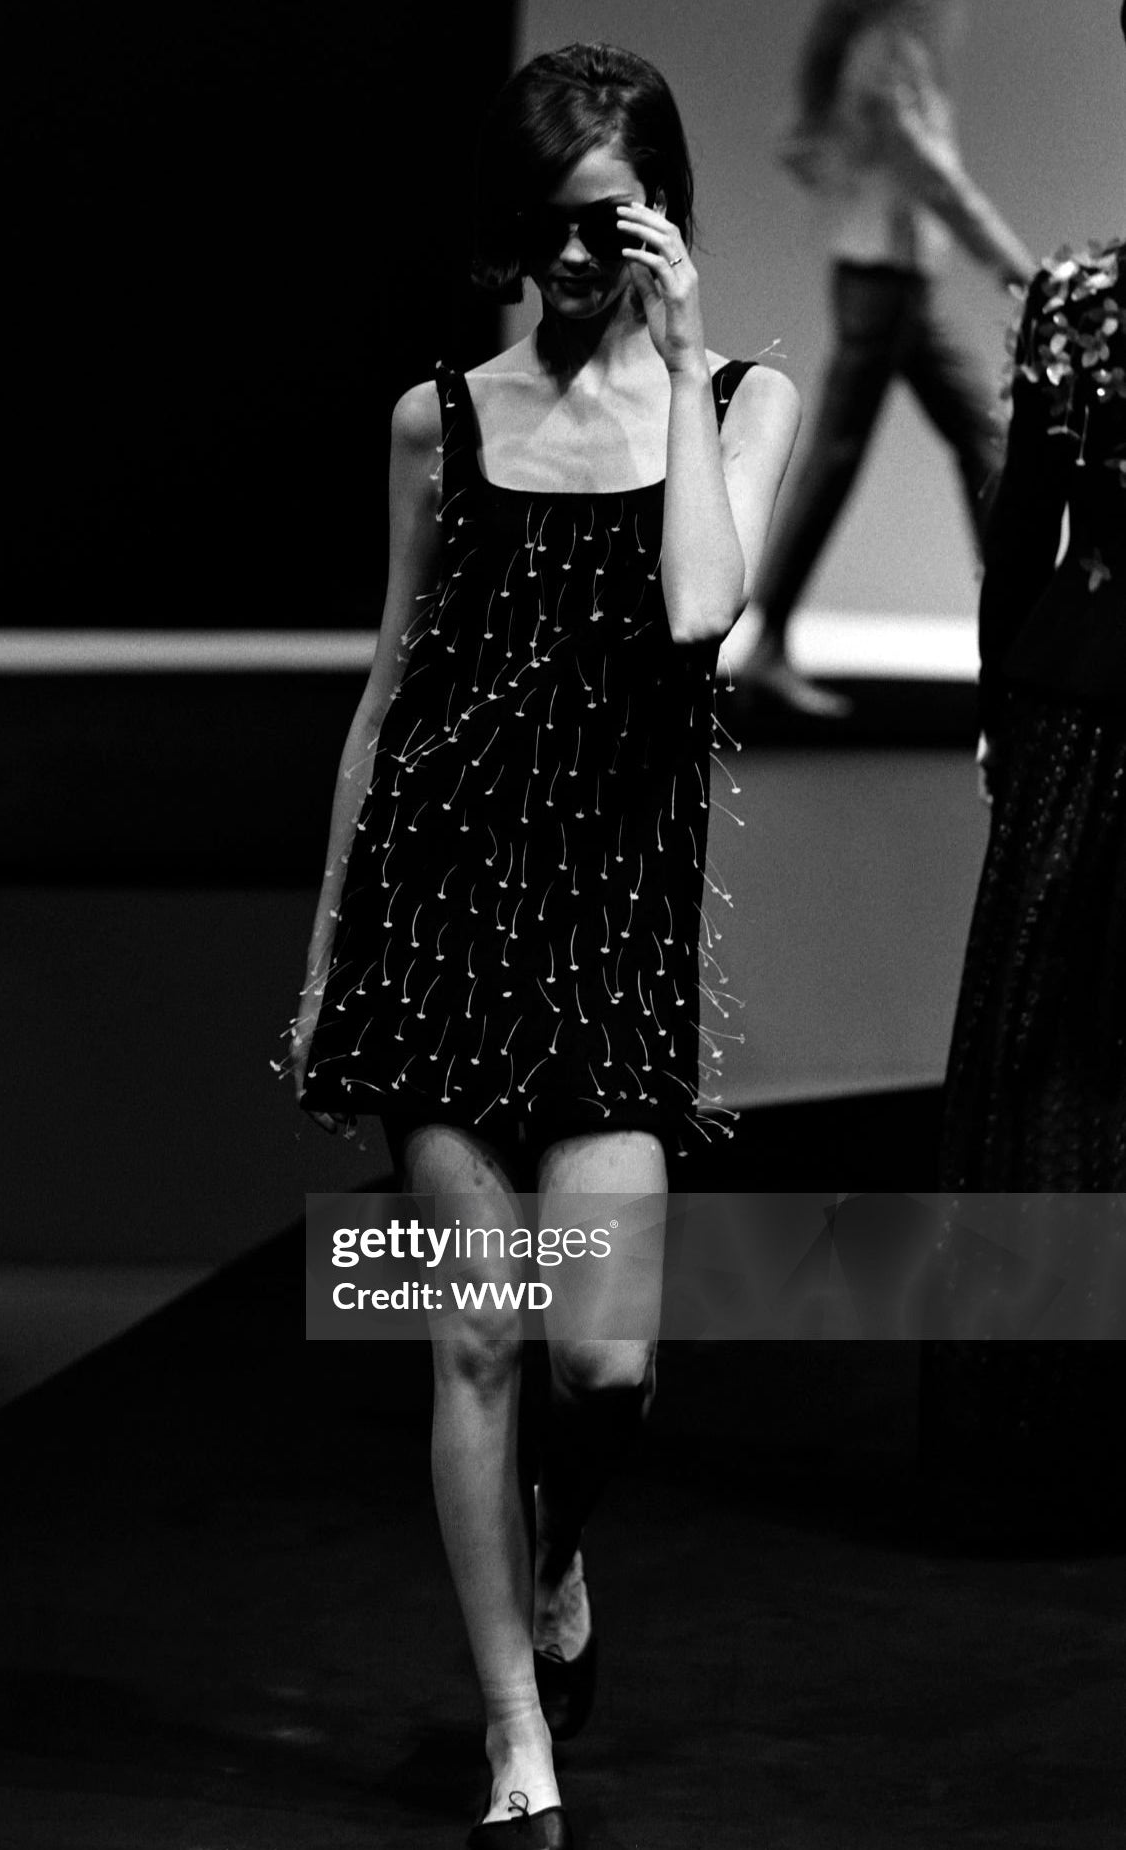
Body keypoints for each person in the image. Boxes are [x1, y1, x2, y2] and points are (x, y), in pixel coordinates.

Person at [285, 42, 799, 1847]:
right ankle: (518, 1742)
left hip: (606, 948)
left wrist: (674, 358)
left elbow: (699, 606)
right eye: (548, 232)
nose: (575, 267)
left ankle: (558, 1554)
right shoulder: (441, 417)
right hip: (435, 935)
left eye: (611, 228)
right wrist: (324, 953)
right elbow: (383, 701)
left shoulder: (738, 400)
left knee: (602, 1365)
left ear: (664, 219)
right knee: (478, 1342)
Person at [940, 5, 1126, 1190]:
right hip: (1075, 719)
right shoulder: (1074, 305)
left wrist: (1001, 718)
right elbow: (1015, 538)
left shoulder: (1078, 305)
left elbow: (1017, 543)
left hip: (1070, 715)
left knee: (1043, 1068)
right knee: (1052, 1072)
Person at [738, 0, 1035, 717]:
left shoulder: (881, 46)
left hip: (888, 281)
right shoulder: (886, 53)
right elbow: (932, 173)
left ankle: (1013, 641)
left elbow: (808, 150)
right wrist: (1011, 260)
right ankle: (1015, 643)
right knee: (859, 455)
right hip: (885, 282)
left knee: (962, 439)